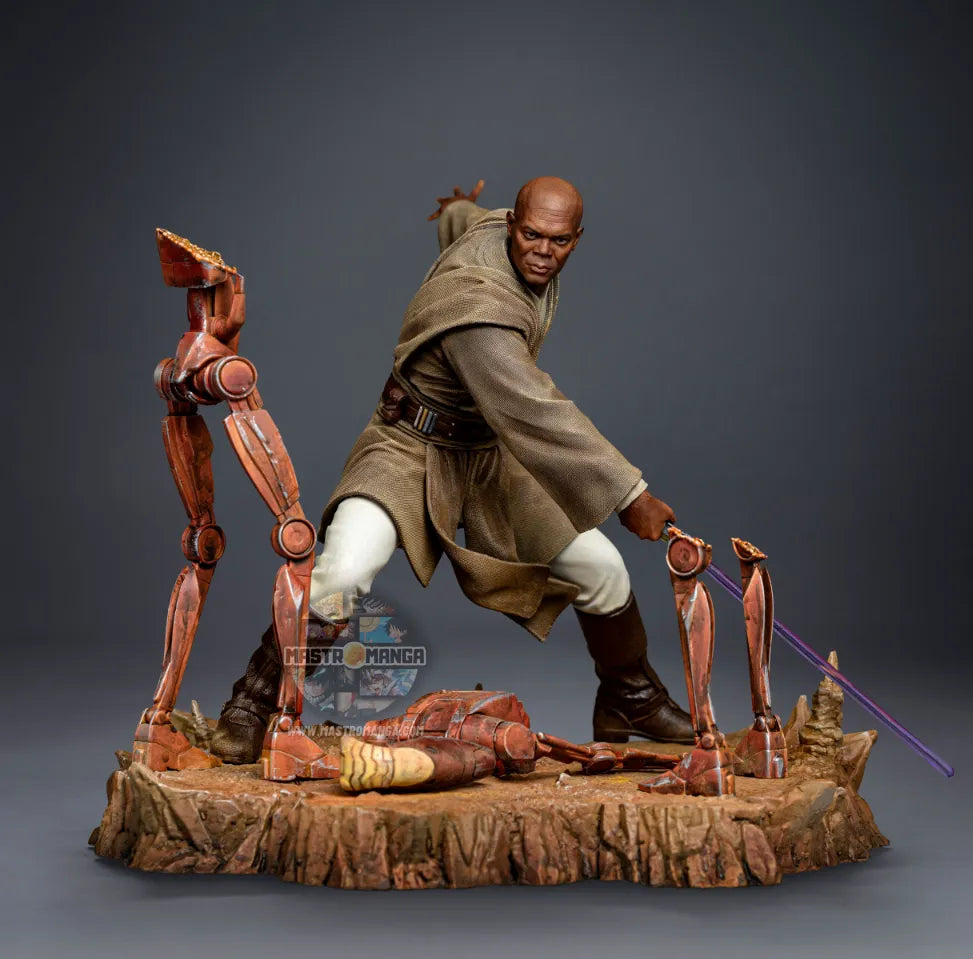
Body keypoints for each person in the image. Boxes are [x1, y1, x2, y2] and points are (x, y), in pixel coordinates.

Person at [211, 176, 694, 764]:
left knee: (602, 570)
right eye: (532, 236)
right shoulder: (479, 312)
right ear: (513, 226)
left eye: (560, 241)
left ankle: (630, 698)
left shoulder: (492, 226)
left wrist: (455, 209)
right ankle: (254, 701)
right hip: (408, 447)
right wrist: (629, 494)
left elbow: (465, 223)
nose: (543, 252)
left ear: (577, 238)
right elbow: (535, 411)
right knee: (343, 572)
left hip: (487, 457)